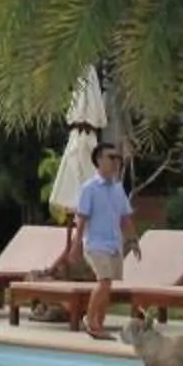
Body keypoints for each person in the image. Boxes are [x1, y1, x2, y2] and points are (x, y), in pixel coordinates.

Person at [73, 142, 135, 340]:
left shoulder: (118, 189)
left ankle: (99, 324)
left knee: (108, 286)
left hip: (114, 245)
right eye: (111, 157)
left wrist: (133, 240)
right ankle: (89, 321)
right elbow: (81, 218)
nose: (116, 161)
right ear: (99, 160)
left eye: (117, 158)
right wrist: (75, 246)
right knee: (104, 281)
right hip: (94, 244)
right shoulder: (89, 188)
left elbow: (125, 218)